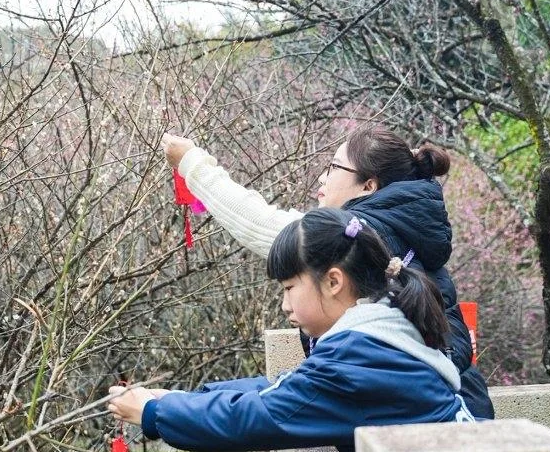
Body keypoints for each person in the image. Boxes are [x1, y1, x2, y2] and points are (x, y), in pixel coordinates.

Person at [160, 125, 494, 419]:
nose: (322, 178)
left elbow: (258, 222)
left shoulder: (358, 234)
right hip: (462, 411)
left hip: (431, 434)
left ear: (368, 186)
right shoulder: (405, 229)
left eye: (334, 167)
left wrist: (192, 163)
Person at [108, 209, 476, 452]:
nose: (285, 305)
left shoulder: (357, 357)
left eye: (289, 287)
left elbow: (258, 415)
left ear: (333, 281)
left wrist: (155, 413)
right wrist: (182, 399)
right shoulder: (379, 333)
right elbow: (283, 387)